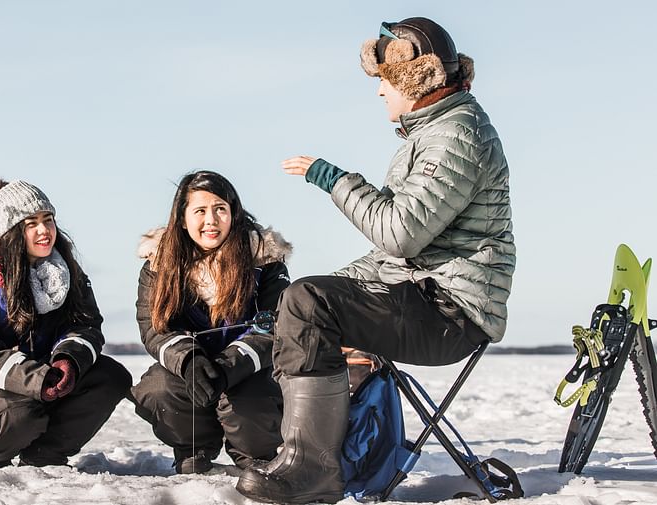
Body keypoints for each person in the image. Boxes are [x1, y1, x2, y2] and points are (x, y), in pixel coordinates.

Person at [237, 17, 515, 503]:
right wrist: (297, 304)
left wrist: (334, 180)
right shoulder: (434, 134)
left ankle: (312, 470)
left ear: (415, 81)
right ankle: (302, 457)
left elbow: (399, 233)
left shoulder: (455, 137)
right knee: (301, 301)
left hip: (450, 313)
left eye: (385, 81)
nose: (379, 92)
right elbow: (395, 252)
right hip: (427, 298)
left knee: (306, 300)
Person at [0, 175, 132, 468]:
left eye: (48, 220)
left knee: (110, 377)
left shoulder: (67, 273)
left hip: (44, 373)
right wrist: (32, 378)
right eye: (31, 224)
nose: (44, 230)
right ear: (13, 231)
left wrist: (68, 360)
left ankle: (45, 453)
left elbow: (86, 325)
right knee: (20, 415)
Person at [130, 170, 293, 474]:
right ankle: (194, 449)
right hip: (190, 369)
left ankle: (253, 455)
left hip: (250, 368)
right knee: (158, 388)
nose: (211, 220)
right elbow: (154, 326)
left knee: (251, 403)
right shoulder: (159, 263)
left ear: (234, 212)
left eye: (220, 209)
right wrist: (190, 360)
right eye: (200, 211)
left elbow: (273, 324)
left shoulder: (264, 257)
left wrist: (228, 367)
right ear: (182, 218)